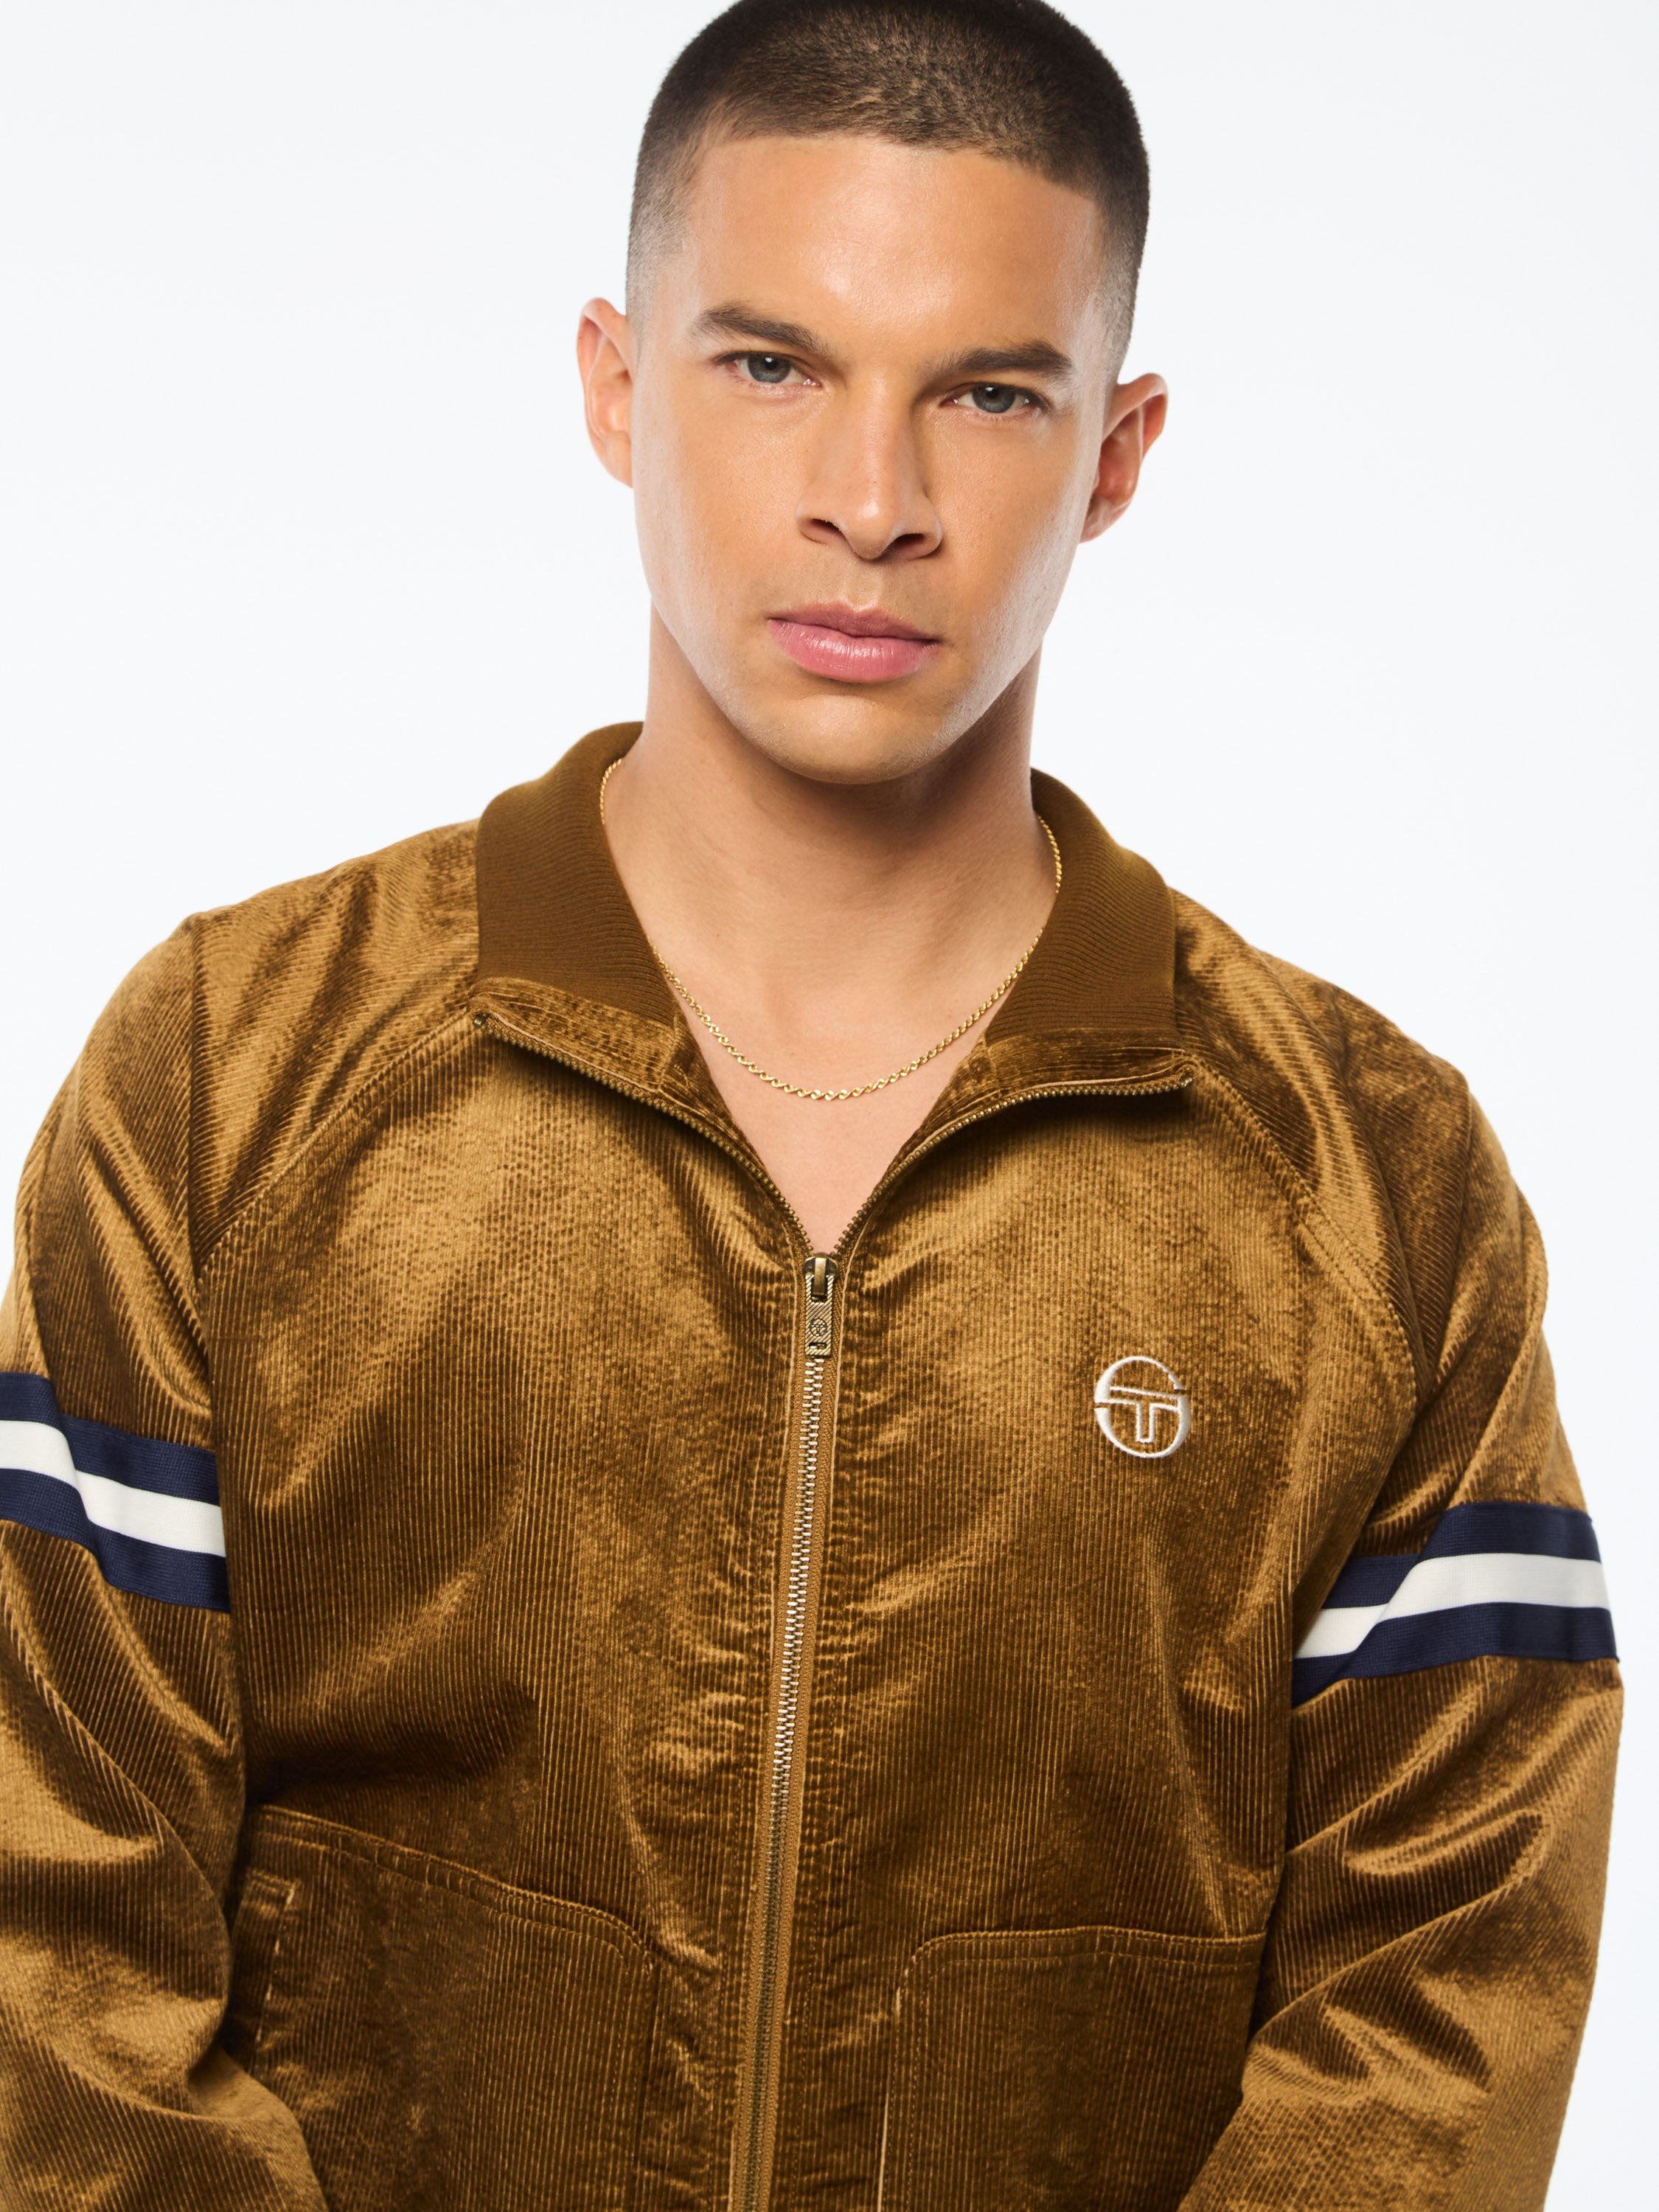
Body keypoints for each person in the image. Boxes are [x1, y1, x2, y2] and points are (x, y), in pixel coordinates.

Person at [0, 1, 1620, 2206]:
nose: (873, 502)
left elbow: (1440, 2008)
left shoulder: (1371, 1178)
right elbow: (55, 1934)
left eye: (989, 393)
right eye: (771, 365)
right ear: (615, 387)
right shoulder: (234, 1072)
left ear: (1118, 450)